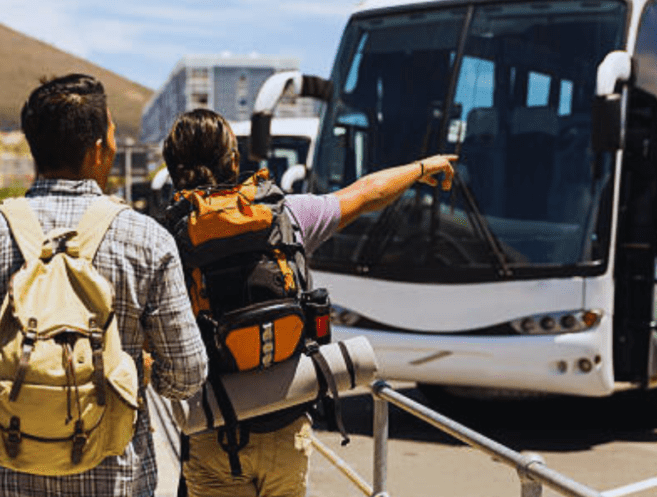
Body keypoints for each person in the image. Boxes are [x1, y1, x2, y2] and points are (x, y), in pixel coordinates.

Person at [0, 73, 208, 497]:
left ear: (33, 146)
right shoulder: (149, 241)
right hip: (118, 481)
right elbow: (187, 376)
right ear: (99, 148)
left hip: (7, 480)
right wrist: (134, 371)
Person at [162, 108, 456, 497]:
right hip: (286, 424)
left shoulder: (165, 240)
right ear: (234, 160)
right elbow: (367, 193)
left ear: (172, 169)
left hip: (213, 428)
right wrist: (422, 167)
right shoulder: (289, 216)